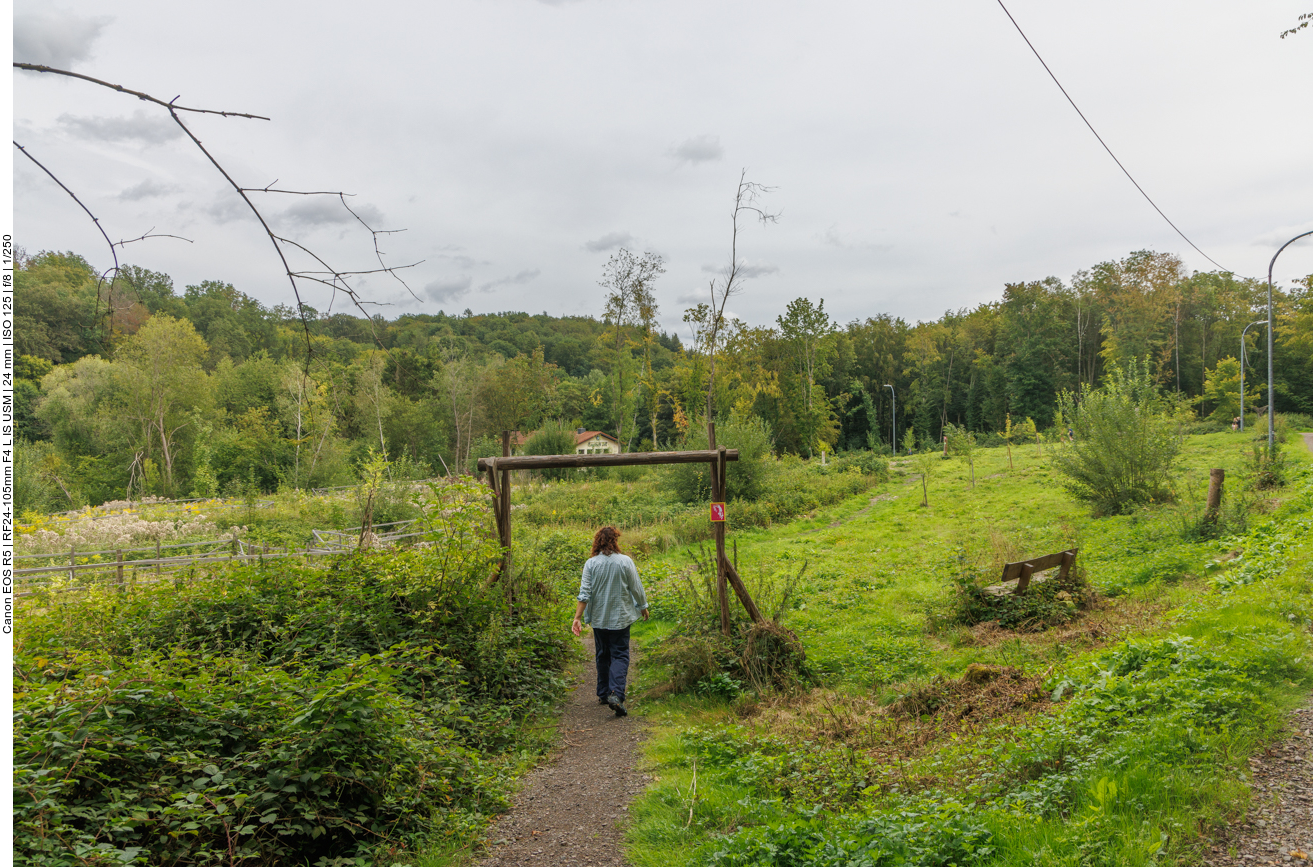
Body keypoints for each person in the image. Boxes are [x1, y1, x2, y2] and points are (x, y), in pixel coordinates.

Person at [572, 526, 648, 717]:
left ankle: (604, 693)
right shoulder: (625, 561)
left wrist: (577, 617)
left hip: (599, 618)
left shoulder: (591, 564)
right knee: (620, 654)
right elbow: (636, 587)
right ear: (615, 541)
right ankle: (616, 694)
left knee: (602, 654)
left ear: (597, 541)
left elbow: (584, 593)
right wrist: (643, 606)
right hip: (620, 618)